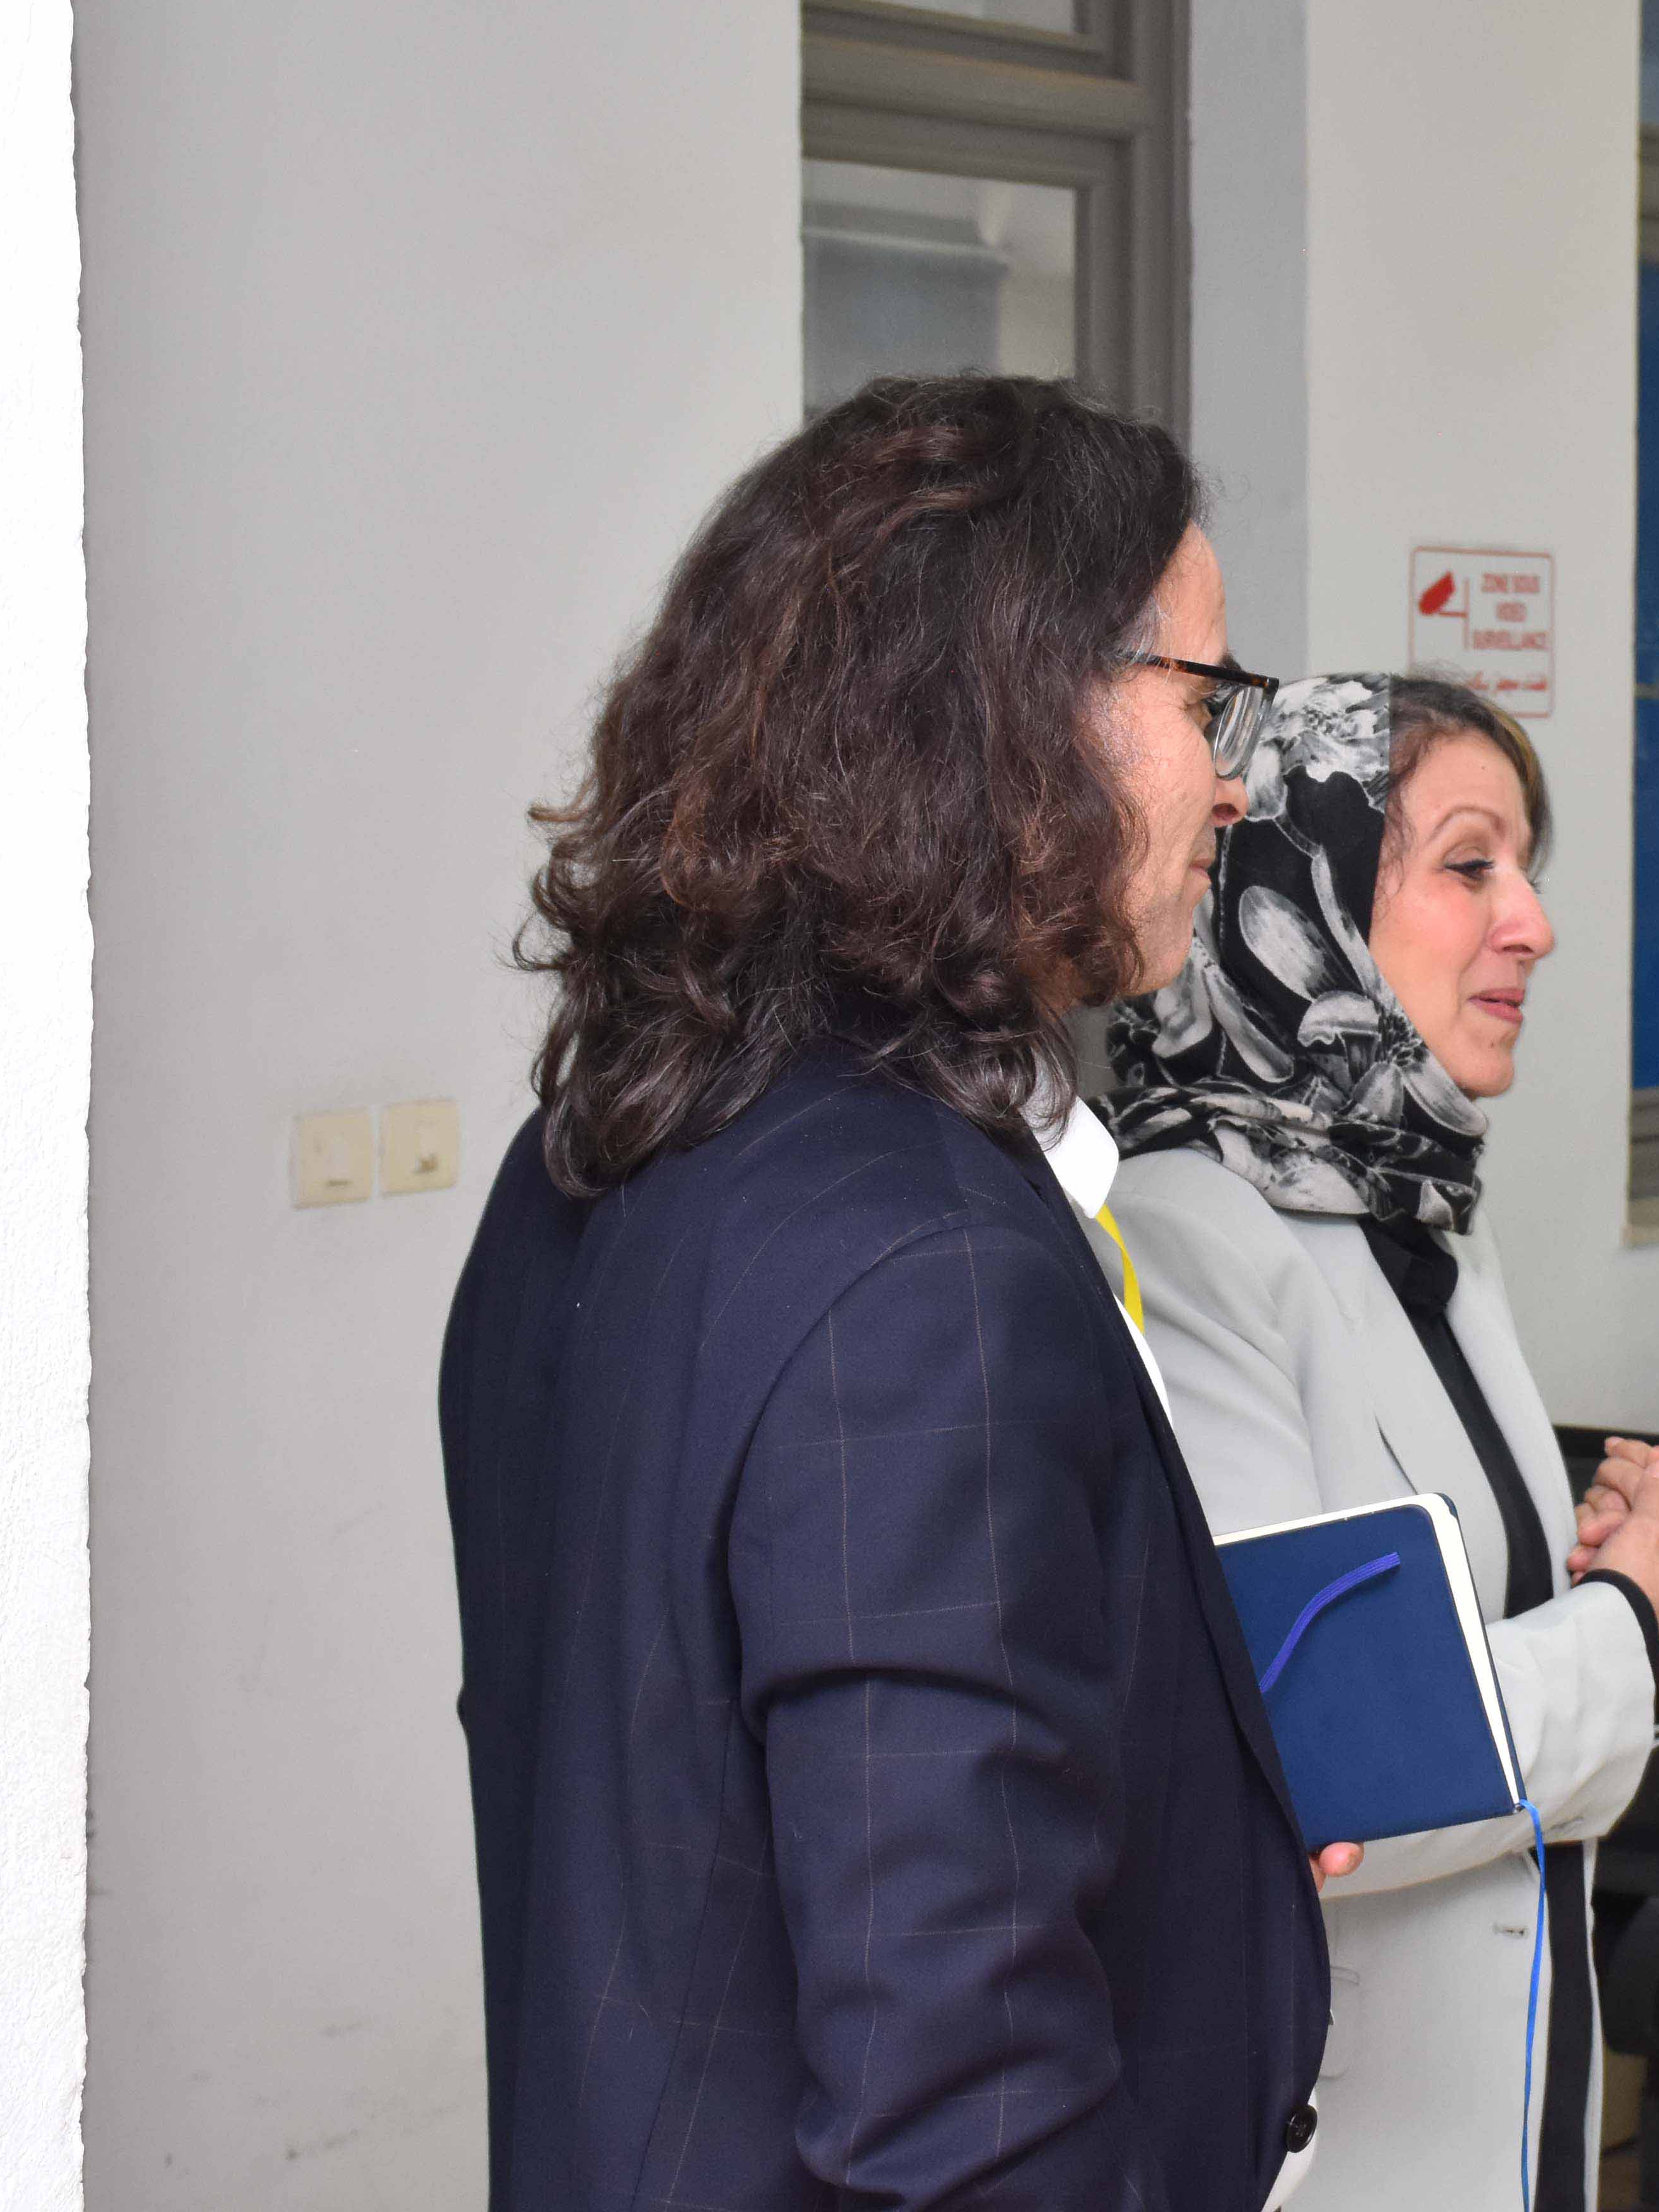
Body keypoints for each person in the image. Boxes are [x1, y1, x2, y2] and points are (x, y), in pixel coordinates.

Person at [439, 376, 1349, 2212]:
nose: (1237, 779)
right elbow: (966, 2116)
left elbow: (713, 1815)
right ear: (1020, 708)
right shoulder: (925, 1278)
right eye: (1206, 699)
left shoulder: (592, 1162)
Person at [1101, 672, 1659, 2212]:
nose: (1535, 924)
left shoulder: (1422, 1209)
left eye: (1526, 868)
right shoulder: (1187, 1240)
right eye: (1470, 865)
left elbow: (1472, 1654)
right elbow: (1314, 1763)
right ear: (1295, 900)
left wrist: (1603, 1602)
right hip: (1338, 2132)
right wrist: (1625, 1626)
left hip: (1503, 2082)